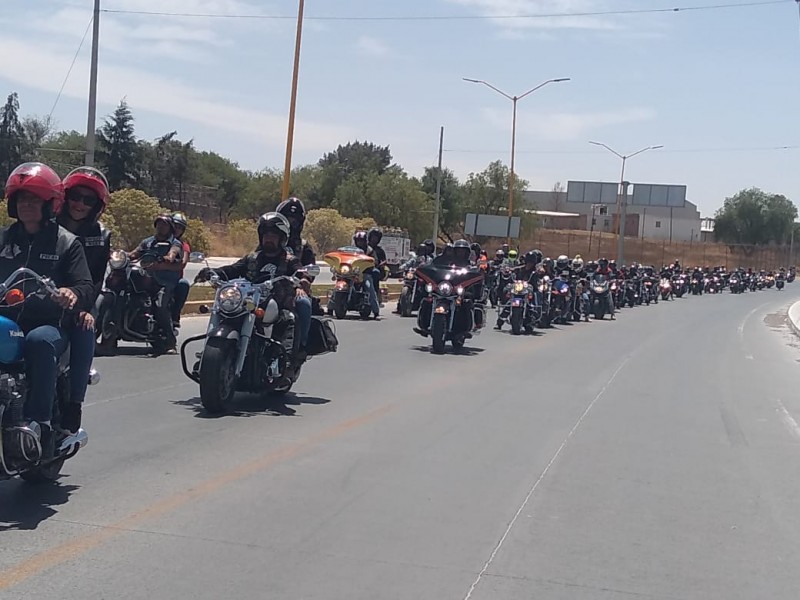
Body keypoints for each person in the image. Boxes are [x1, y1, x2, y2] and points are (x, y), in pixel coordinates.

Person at [2, 163, 94, 460]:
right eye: (21, 199)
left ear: (49, 203)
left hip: (49, 323)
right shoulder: (4, 239)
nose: (26, 205)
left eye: (33, 199)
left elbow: (85, 285)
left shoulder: (66, 242)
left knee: (38, 341)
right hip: (7, 319)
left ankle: (38, 422)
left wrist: (71, 293)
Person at [194, 212, 312, 362]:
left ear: (282, 238)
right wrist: (212, 272)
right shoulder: (252, 258)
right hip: (249, 301)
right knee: (225, 311)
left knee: (289, 318)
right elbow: (232, 269)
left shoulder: (289, 260)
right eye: (266, 235)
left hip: (277, 304)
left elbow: (300, 271)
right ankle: (212, 351)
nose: (268, 239)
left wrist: (303, 280)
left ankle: (288, 359)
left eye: (273, 236)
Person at [57, 167, 111, 433]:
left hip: (83, 298)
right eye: (75, 197)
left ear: (97, 206)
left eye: (88, 200)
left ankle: (74, 403)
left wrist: (85, 307)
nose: (79, 204)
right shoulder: (49, 226)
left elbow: (98, 277)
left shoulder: (101, 235)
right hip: (47, 294)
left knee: (84, 327)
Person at [128, 214, 183, 354]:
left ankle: (170, 342)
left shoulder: (175, 243)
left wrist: (168, 258)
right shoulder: (148, 242)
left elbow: (173, 254)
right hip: (148, 279)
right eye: (158, 224)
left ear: (170, 228)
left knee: (160, 305)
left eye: (164, 225)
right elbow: (135, 253)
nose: (160, 227)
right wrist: (121, 255)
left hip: (165, 282)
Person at [171, 212, 191, 330]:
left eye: (180, 227)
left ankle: (175, 315)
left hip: (172, 279)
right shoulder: (156, 240)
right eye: (175, 226)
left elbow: (183, 263)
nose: (177, 229)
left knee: (183, 284)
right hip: (153, 276)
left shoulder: (184, 246)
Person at [353, 231, 380, 318]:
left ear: (365, 241)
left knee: (369, 287)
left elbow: (375, 260)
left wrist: (372, 262)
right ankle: (331, 306)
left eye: (361, 241)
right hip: (351, 273)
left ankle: (376, 310)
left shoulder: (369, 250)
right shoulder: (352, 249)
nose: (359, 243)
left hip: (365, 273)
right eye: (358, 241)